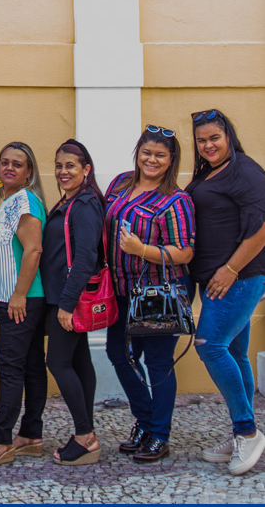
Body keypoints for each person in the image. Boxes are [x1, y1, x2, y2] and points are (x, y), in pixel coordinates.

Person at [104, 126, 195, 463]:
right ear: (138, 152)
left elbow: (185, 252)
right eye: (147, 152)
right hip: (121, 289)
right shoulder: (120, 184)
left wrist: (142, 249)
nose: (151, 159)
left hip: (159, 290)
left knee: (158, 363)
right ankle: (145, 421)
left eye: (160, 155)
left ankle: (159, 434)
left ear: (171, 160)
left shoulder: (175, 200)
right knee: (119, 354)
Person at [186, 109, 265, 475]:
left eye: (214, 138)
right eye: (201, 140)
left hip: (240, 276)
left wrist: (231, 269)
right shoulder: (209, 173)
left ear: (228, 136)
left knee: (210, 345)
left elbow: (262, 226)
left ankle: (247, 433)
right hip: (217, 277)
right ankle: (242, 431)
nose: (208, 145)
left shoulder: (244, 169)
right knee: (235, 351)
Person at [0, 141, 47, 467]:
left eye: (18, 164)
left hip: (22, 300)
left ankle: (1, 438)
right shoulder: (6, 203)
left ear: (28, 171)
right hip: (10, 299)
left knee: (9, 368)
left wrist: (19, 294)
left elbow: (33, 250)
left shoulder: (26, 201)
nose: (9, 168)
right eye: (5, 162)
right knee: (30, 365)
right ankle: (30, 434)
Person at [40, 140, 105, 465]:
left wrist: (66, 305)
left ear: (86, 170)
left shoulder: (84, 205)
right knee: (80, 363)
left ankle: (84, 436)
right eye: (59, 166)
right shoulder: (70, 202)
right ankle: (86, 431)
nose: (63, 172)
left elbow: (85, 259)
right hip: (62, 297)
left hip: (69, 299)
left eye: (71, 166)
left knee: (59, 363)